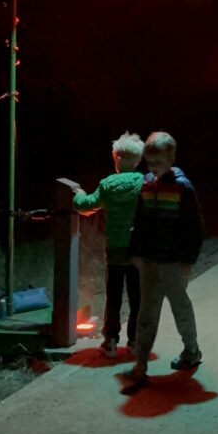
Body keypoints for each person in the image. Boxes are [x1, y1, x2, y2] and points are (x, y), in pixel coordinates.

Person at [125, 131, 204, 388]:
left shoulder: (182, 187)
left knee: (181, 308)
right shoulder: (147, 184)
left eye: (158, 163)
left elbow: (194, 227)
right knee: (146, 312)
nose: (153, 168)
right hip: (149, 261)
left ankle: (191, 351)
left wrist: (187, 261)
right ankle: (141, 362)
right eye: (150, 163)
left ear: (171, 159)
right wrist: (135, 251)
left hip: (172, 262)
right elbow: (139, 221)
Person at [72, 132, 145, 357]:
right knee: (137, 297)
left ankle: (111, 341)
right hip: (137, 249)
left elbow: (86, 206)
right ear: (137, 161)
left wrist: (78, 194)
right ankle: (135, 341)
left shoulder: (107, 184)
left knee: (113, 296)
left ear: (116, 160)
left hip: (114, 249)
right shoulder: (144, 183)